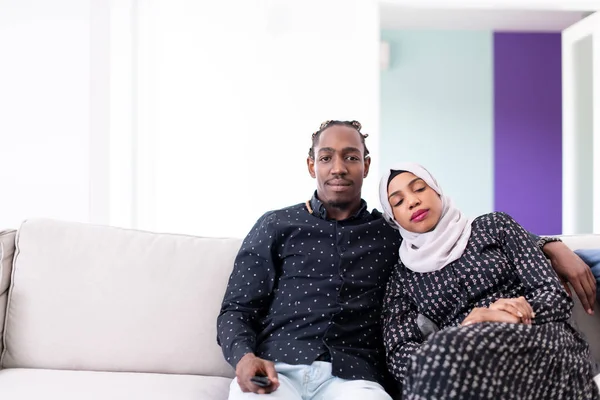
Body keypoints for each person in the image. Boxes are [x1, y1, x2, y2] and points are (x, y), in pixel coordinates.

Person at [217, 120, 596, 399]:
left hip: (354, 378)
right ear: (311, 165)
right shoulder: (278, 225)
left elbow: (481, 240)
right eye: (326, 157)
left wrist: (550, 244)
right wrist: (243, 357)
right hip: (279, 366)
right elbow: (237, 308)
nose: (338, 167)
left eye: (350, 157)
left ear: (365, 166)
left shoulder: (400, 235)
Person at [379, 162, 599, 399]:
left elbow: (553, 295)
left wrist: (509, 314)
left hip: (536, 337)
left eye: (420, 188)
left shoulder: (495, 226)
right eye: (398, 202)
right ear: (394, 219)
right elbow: (399, 353)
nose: (413, 201)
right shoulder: (402, 276)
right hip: (462, 358)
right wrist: (460, 336)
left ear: (437, 191)